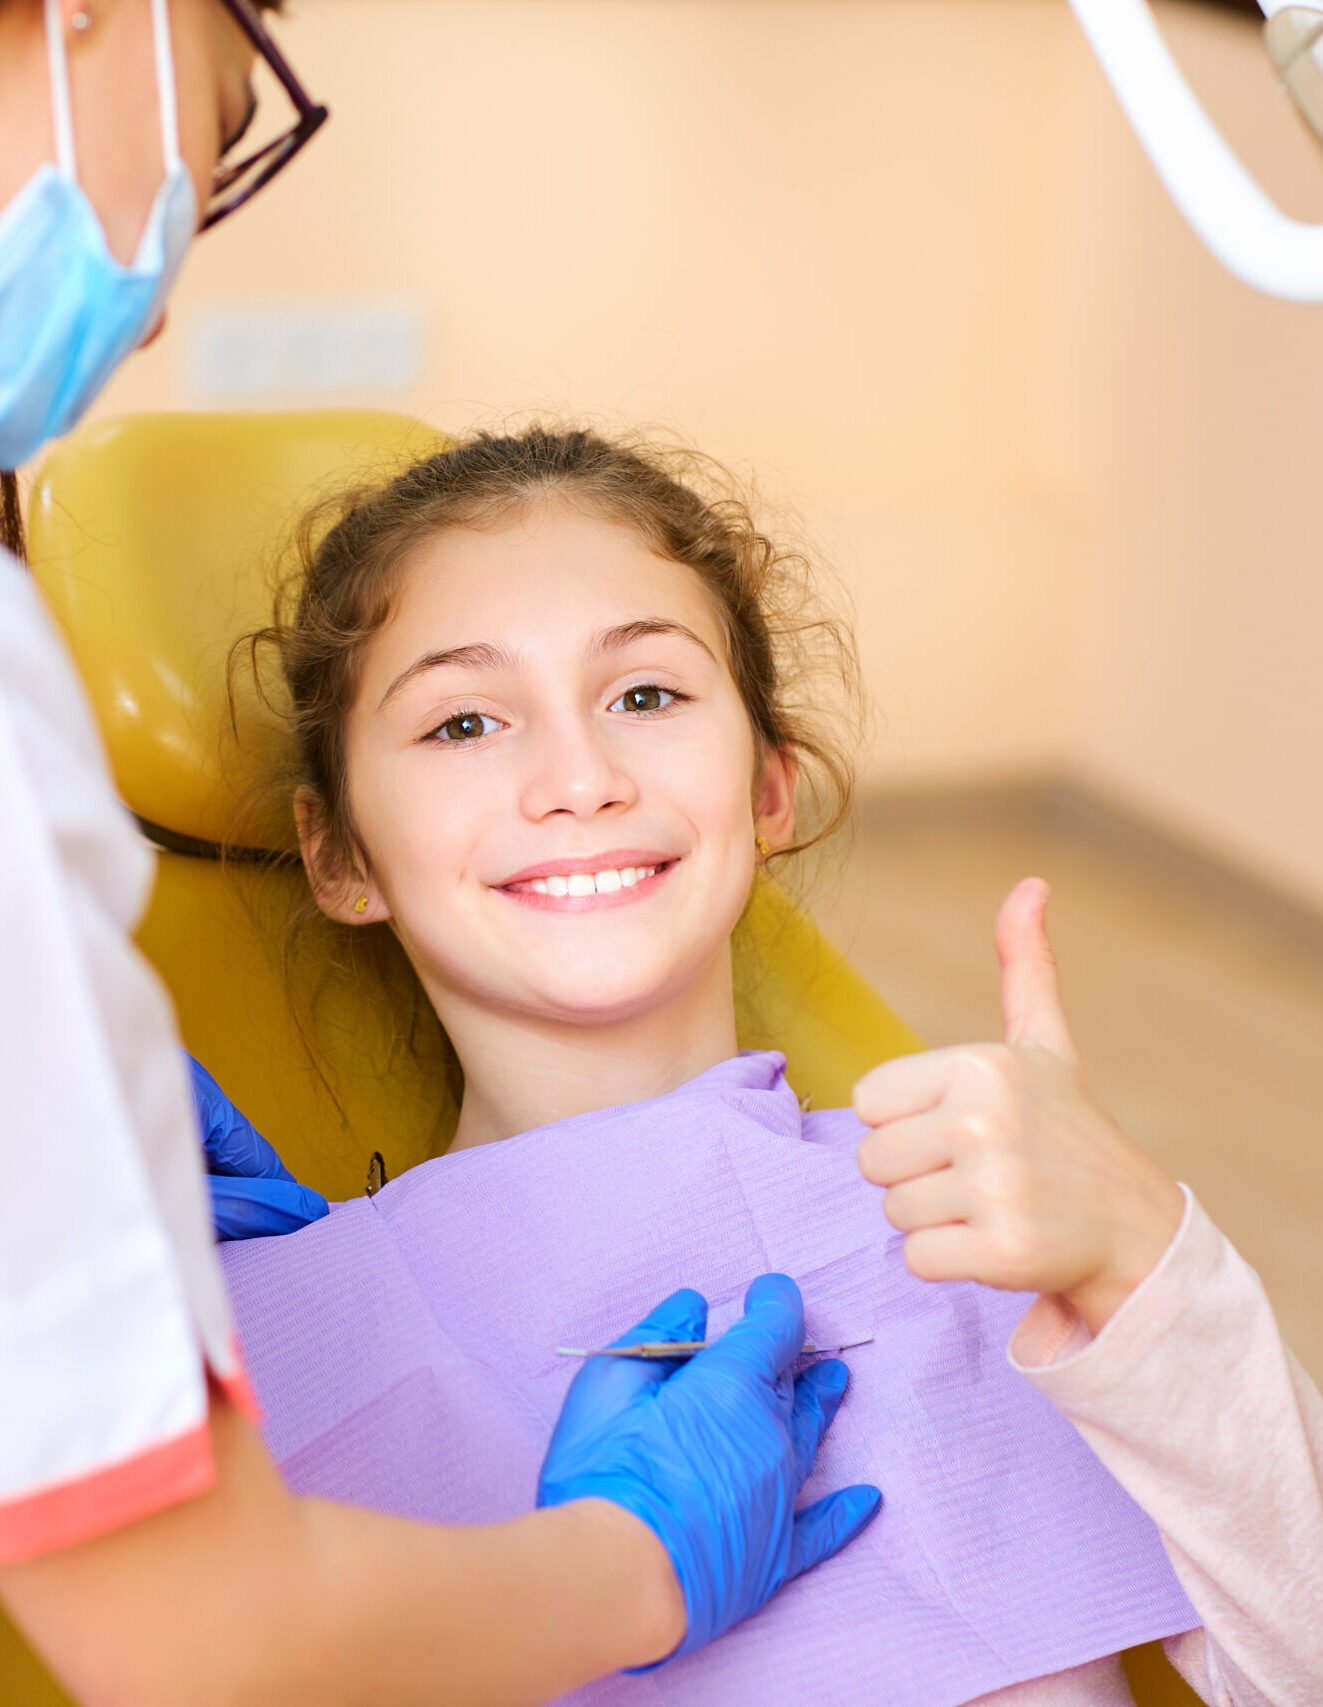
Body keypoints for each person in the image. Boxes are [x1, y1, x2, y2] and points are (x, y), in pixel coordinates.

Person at [0, 4, 880, 1704]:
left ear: (772, 782)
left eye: (642, 689)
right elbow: (200, 1639)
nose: (163, 290)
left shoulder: (927, 1236)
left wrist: (1157, 1296)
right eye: (224, 125)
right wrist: (630, 1564)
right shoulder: (297, 1305)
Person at [201, 423, 1321, 1703]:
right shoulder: (276, 1354)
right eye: (463, 721)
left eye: (647, 695)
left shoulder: (982, 1227)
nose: (580, 777)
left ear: (769, 786)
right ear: (339, 851)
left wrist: (1152, 1268)